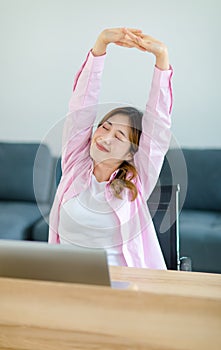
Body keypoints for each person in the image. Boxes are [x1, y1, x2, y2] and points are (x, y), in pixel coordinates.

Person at [48, 27, 173, 269]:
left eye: (119, 135)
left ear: (130, 153)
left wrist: (162, 59)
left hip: (122, 289)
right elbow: (81, 106)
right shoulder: (75, 164)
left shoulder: (137, 182)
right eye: (104, 127)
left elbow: (158, 125)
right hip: (67, 285)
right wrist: (101, 45)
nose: (105, 137)